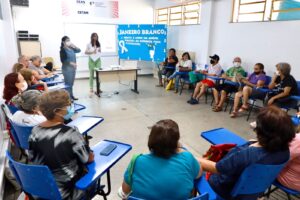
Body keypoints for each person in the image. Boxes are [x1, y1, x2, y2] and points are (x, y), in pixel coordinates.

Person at [199, 106, 295, 199]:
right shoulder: (285, 153)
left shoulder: (246, 154)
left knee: (193, 166)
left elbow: (217, 168)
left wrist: (191, 157)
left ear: (260, 131)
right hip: (253, 192)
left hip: (225, 192)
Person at [28, 90, 94, 200]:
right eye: (68, 105)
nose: (71, 107)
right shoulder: (70, 132)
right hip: (67, 192)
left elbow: (32, 157)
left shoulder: (35, 130)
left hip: (43, 189)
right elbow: (88, 159)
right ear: (57, 111)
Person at [119, 119, 202, 200]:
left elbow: (125, 191)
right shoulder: (187, 158)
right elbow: (199, 174)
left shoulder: (136, 161)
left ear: (151, 140)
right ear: (176, 142)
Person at [60, 36, 81, 100]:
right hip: (67, 69)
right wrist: (71, 63)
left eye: (69, 40)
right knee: (68, 84)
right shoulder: (63, 50)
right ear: (63, 42)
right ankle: (68, 98)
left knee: (71, 84)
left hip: (72, 69)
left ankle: (71, 96)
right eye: (67, 40)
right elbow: (63, 60)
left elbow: (79, 50)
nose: (69, 41)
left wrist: (74, 46)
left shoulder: (71, 48)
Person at [85, 33, 101, 97]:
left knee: (99, 74)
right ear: (92, 37)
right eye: (94, 37)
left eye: (96, 37)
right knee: (91, 74)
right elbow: (86, 52)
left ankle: (98, 88)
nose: (95, 38)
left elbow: (99, 52)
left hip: (98, 60)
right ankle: (91, 88)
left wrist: (99, 50)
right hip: (91, 60)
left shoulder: (98, 44)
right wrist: (92, 52)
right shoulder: (88, 44)